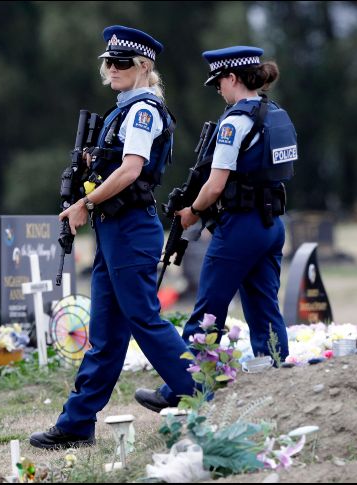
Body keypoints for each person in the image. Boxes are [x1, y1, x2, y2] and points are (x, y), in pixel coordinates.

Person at [29, 25, 195, 450]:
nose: (112, 68)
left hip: (130, 228)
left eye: (122, 62)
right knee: (105, 335)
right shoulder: (125, 110)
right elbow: (116, 165)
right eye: (109, 62)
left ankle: (203, 394)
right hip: (115, 230)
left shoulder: (143, 111)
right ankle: (76, 423)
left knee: (144, 320)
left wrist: (85, 203)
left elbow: (132, 169)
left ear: (144, 66)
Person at [135, 45, 298, 413]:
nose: (219, 91)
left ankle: (180, 388)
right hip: (273, 224)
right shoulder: (275, 114)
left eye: (219, 83)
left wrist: (192, 211)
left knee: (208, 311)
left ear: (232, 78)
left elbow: (215, 185)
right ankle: (279, 384)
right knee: (264, 308)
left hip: (240, 227)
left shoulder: (234, 122)